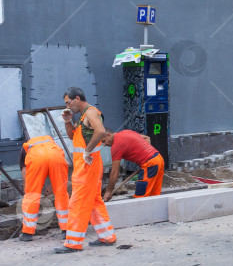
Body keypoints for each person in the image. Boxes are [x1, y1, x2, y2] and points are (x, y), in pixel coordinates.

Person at [55, 87, 117, 253]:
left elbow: (101, 131)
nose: (67, 106)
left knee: (78, 202)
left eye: (68, 102)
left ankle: (73, 243)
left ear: (77, 98)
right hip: (87, 165)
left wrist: (88, 151)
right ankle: (107, 236)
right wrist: (68, 121)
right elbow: (72, 136)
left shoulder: (90, 112)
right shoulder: (82, 115)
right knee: (94, 201)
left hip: (87, 166)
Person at [17, 135, 70, 241]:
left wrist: (27, 190)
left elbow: (25, 172)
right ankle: (66, 230)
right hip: (57, 157)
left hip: (37, 158)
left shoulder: (26, 148)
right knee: (61, 194)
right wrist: (53, 185)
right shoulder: (51, 143)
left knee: (31, 195)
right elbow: (65, 164)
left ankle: (27, 233)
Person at [101, 130, 164, 201]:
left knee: (140, 199)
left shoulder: (116, 146)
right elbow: (146, 138)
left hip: (150, 164)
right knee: (154, 196)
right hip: (158, 159)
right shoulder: (126, 132)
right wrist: (146, 155)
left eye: (104, 141)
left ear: (109, 135)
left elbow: (115, 171)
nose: (104, 144)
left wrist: (108, 191)